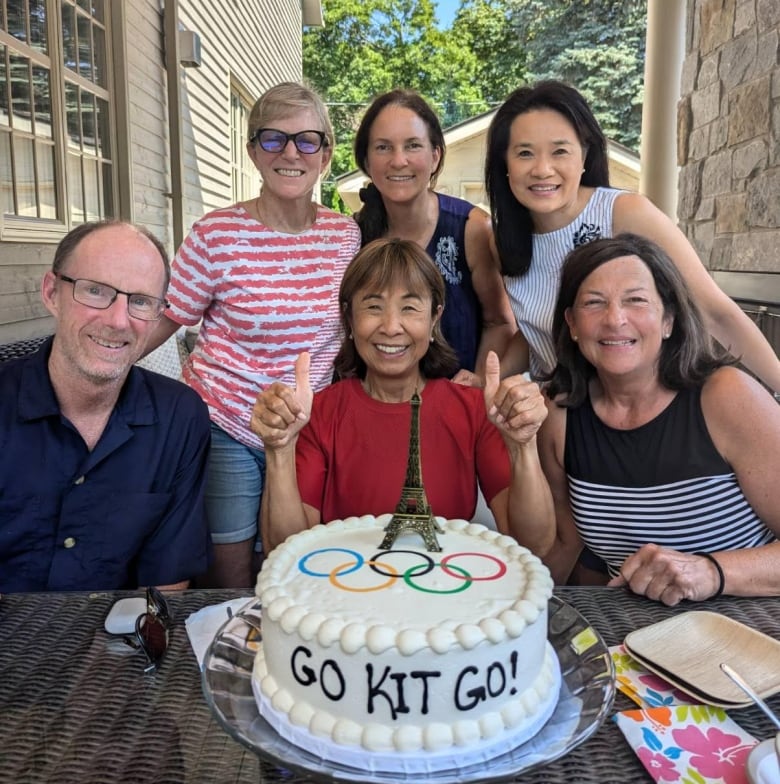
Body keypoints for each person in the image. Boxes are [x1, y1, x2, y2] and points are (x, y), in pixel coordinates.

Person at [144, 82, 361, 588]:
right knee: (233, 574)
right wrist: (93, 372)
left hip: (311, 424)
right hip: (228, 422)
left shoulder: (345, 236)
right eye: (273, 139)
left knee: (303, 563)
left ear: (326, 154)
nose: (290, 152)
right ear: (252, 151)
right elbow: (167, 318)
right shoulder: (215, 235)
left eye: (307, 140)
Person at [249, 238, 554, 556]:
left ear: (435, 317)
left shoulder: (475, 409)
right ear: (349, 318)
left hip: (447, 594)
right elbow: (286, 550)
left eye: (409, 307)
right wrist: (280, 451)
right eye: (373, 307)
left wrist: (523, 446)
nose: (392, 327)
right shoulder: (319, 413)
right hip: (343, 593)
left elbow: (532, 544)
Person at [485, 79, 780, 392]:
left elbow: (716, 313)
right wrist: (486, 382)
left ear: (584, 156)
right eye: (525, 153)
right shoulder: (502, 239)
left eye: (560, 151)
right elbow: (535, 332)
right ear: (505, 163)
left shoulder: (624, 213)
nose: (543, 169)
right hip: (561, 419)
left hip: (641, 416)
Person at [537, 233, 780, 606]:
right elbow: (576, 554)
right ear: (571, 323)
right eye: (593, 303)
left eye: (636, 300)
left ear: (668, 319)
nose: (615, 319)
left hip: (749, 631)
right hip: (633, 639)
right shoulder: (560, 415)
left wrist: (710, 571)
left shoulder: (727, 396)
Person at [0, 220, 211, 593]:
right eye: (95, 291)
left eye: (141, 301)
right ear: (52, 292)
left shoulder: (180, 417)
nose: (118, 321)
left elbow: (166, 582)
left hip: (117, 642)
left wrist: (116, 652)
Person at [353, 89, 519, 385]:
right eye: (383, 147)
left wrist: (479, 383)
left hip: (455, 411)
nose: (398, 160)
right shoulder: (353, 237)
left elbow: (500, 321)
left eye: (413, 145)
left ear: (435, 155)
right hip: (378, 405)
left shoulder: (472, 229)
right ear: (366, 159)